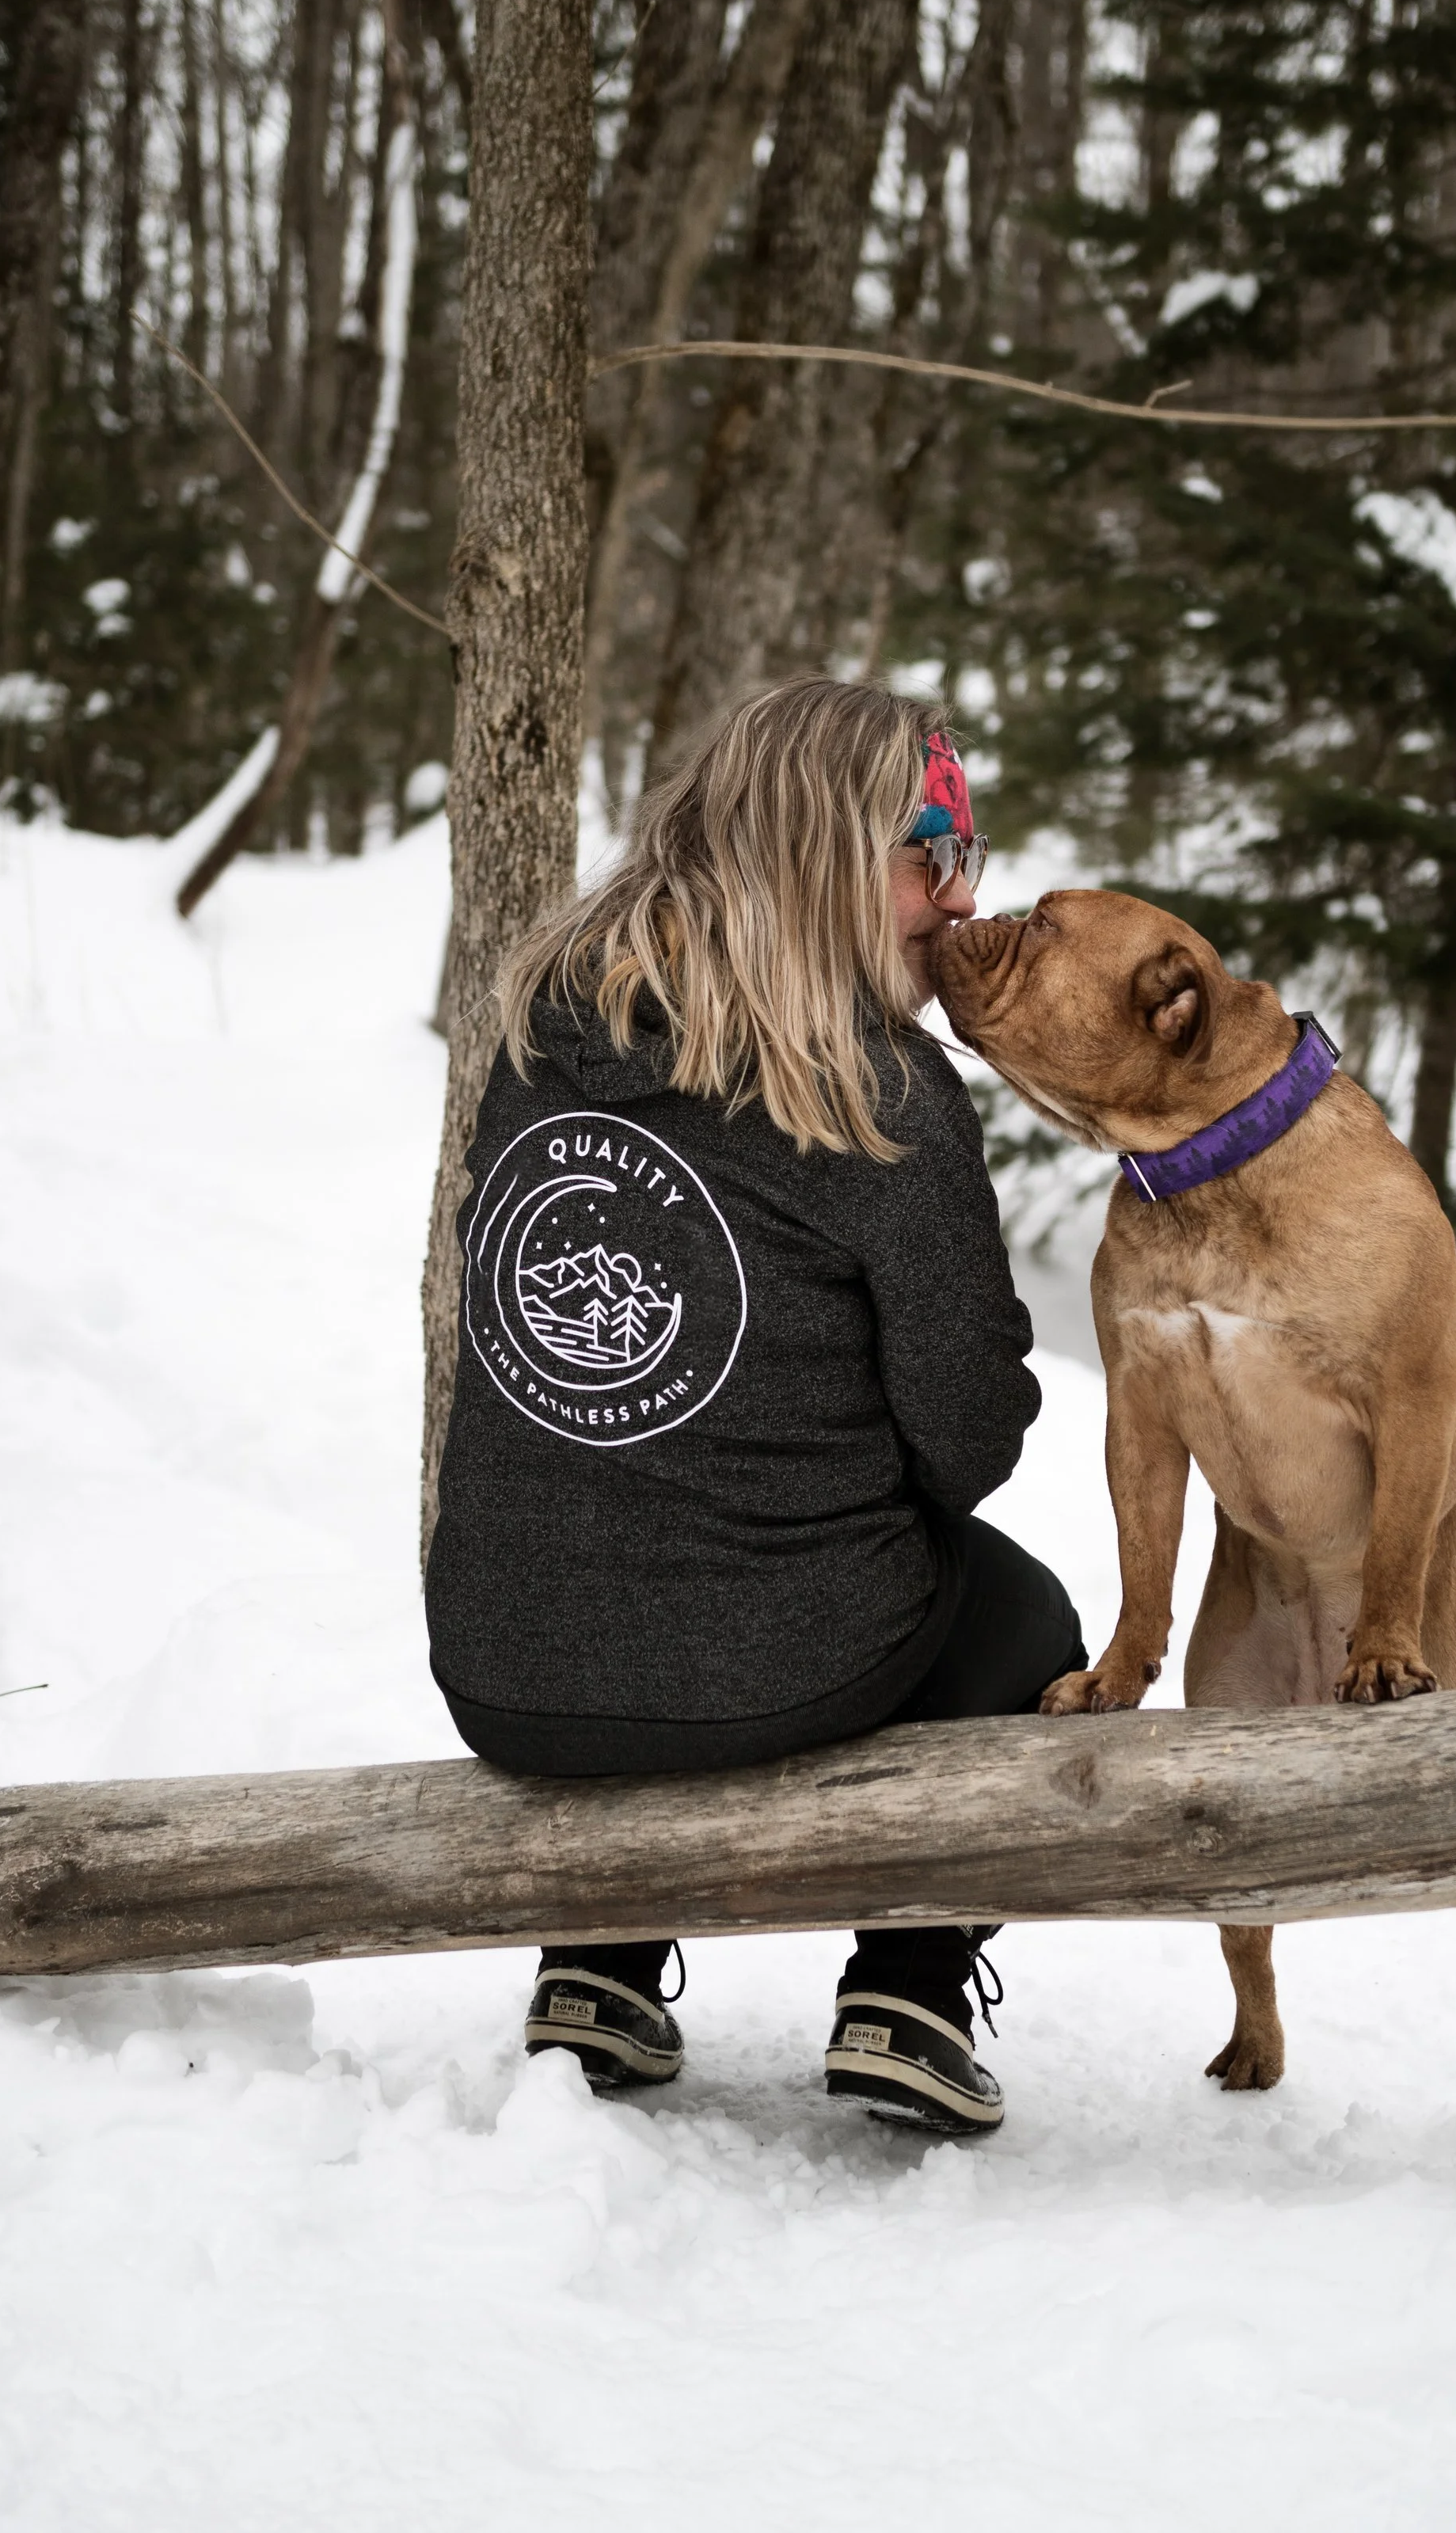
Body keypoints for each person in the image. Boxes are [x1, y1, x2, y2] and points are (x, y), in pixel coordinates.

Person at [424, 676, 1086, 2134]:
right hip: (777, 1666)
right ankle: (909, 1990)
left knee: (642, 1579)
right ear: (827, 850)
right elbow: (970, 1438)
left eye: (966, 858)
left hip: (502, 1662)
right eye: (933, 856)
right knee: (1023, 1623)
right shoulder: (880, 1091)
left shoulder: (545, 1023)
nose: (959, 902)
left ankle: (593, 1969)